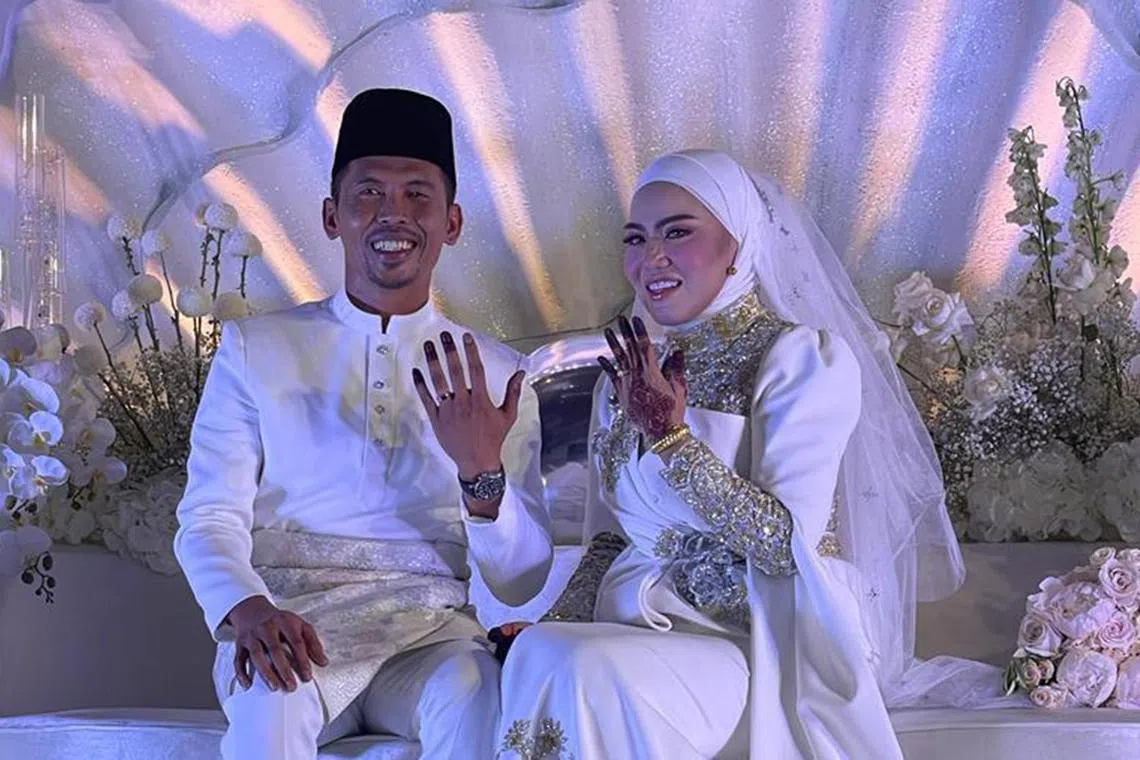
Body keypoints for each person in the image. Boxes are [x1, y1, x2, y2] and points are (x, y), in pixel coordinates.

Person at [493, 150, 964, 759]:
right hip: (638, 624)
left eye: (677, 233)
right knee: (534, 655)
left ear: (738, 245)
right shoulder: (628, 375)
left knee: (584, 668)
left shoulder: (800, 359)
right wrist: (552, 623)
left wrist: (672, 440)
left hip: (760, 639)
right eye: (636, 239)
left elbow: (786, 545)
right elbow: (611, 540)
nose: (651, 258)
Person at [174, 88, 553, 760]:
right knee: (272, 696)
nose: (393, 213)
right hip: (288, 623)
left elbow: (519, 579)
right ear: (332, 215)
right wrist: (248, 609)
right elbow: (207, 517)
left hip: (429, 634)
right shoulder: (255, 349)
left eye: (417, 194)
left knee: (474, 691)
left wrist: (481, 474)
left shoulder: (498, 373)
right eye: (369, 192)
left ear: (452, 221)